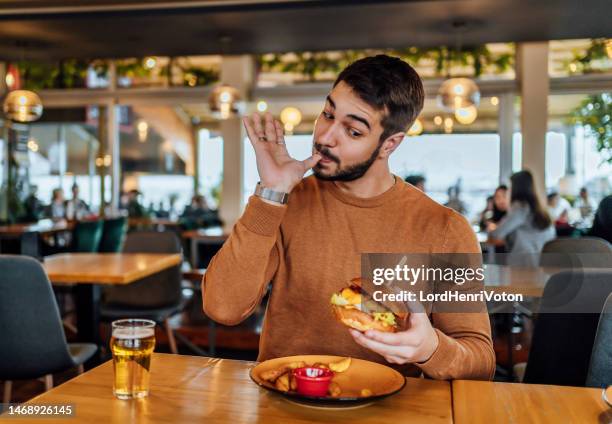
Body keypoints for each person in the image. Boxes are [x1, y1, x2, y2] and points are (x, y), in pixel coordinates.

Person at [202, 55, 494, 380]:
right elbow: (222, 308)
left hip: (387, 411)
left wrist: (430, 350)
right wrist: (270, 194)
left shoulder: (444, 229)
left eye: (353, 131)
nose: (326, 136)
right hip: (283, 403)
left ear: (390, 144)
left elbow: (480, 361)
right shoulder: (287, 200)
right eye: (328, 114)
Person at [488, 171, 555, 267]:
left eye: (510, 188)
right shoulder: (538, 208)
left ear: (515, 188)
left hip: (525, 263)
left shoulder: (520, 207)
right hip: (541, 262)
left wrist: (492, 228)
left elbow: (496, 234)